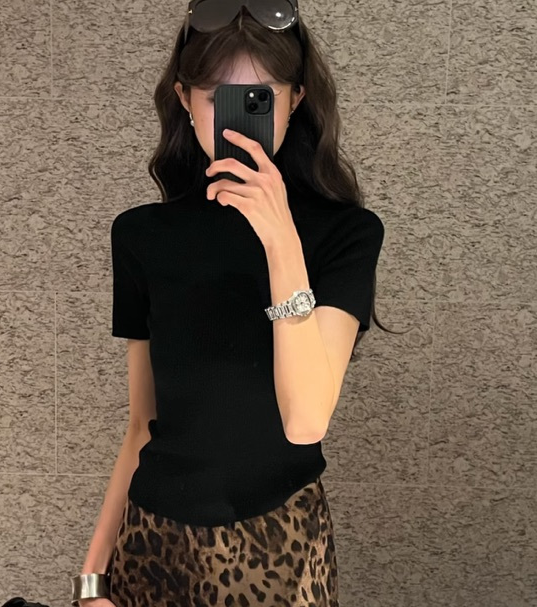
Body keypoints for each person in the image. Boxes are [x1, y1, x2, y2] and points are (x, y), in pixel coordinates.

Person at [71, 1, 387, 605]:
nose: (237, 119)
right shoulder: (142, 236)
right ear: (185, 99)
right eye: (217, 97)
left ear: (295, 100)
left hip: (279, 551)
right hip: (151, 545)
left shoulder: (346, 235)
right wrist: (92, 579)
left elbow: (306, 420)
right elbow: (142, 425)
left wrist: (280, 238)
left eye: (259, 98)